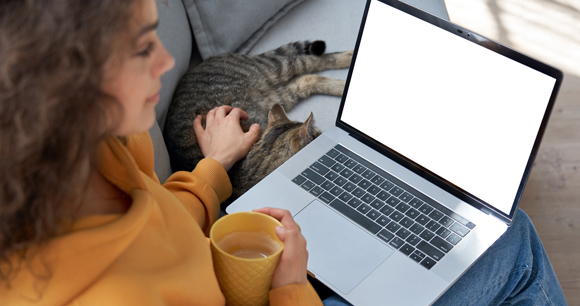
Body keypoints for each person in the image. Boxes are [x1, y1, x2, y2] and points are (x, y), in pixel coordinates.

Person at [0, 1, 567, 306]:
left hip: (250, 273)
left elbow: (158, 227)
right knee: (512, 241)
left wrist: (212, 169)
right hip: (275, 293)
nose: (166, 64)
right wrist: (291, 285)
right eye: (143, 47)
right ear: (69, 80)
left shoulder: (100, 152)